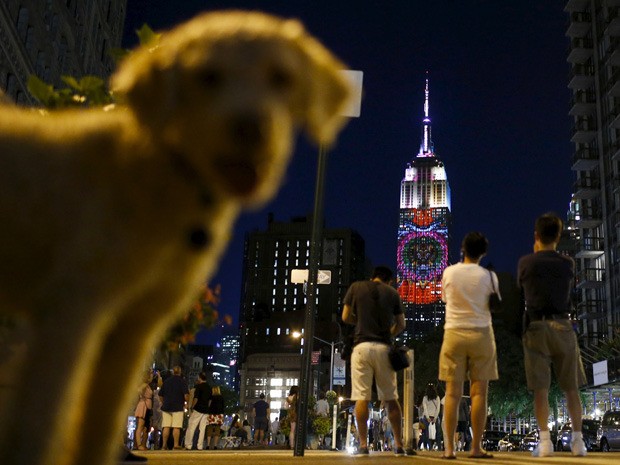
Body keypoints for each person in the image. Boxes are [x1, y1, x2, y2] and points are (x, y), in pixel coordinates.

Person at [518, 213, 587, 457]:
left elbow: (522, 291)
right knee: (571, 388)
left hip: (537, 326)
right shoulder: (568, 263)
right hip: (563, 325)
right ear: (558, 236)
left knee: (541, 388)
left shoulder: (526, 263)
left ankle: (545, 441)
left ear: (536, 235)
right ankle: (577, 441)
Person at [439, 231, 499, 459]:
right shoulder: (489, 276)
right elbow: (494, 304)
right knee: (479, 393)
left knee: (452, 393)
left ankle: (449, 449)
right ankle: (475, 447)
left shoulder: (449, 272)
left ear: (462, 249)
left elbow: (445, 298)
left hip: (453, 332)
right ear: (483, 252)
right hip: (481, 333)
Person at [341, 265, 411, 456]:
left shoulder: (356, 287)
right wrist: (388, 333)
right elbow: (401, 324)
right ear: (389, 280)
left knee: (362, 397)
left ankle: (363, 445)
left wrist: (361, 322)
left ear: (373, 277)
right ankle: (399, 445)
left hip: (361, 348)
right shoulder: (392, 293)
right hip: (383, 348)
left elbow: (345, 316)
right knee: (390, 398)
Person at [158, 366, 189, 450]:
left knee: (166, 426)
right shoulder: (182, 381)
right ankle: (175, 445)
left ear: (173, 372)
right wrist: (187, 403)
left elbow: (160, 395)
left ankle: (164, 445)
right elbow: (186, 395)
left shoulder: (167, 381)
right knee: (176, 427)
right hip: (177, 407)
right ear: (180, 372)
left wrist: (164, 402)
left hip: (166, 406)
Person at [184, 372, 211, 450]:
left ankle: (188, 444)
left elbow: (196, 398)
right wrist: (207, 407)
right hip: (206, 410)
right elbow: (210, 400)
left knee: (191, 426)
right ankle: (200, 446)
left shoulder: (199, 387)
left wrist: (192, 406)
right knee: (202, 429)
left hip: (198, 409)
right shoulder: (209, 387)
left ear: (199, 378)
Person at [133, 369, 154, 451]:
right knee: (140, 425)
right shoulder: (144, 384)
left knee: (146, 427)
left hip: (147, 406)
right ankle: (139, 444)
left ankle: (143, 444)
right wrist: (142, 396)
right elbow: (138, 390)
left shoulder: (148, 385)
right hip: (143, 406)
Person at [421, 383, 440, 451]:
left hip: (426, 417)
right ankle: (439, 447)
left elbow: (425, 408)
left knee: (426, 432)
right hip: (435, 417)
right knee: (437, 433)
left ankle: (428, 447)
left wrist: (427, 417)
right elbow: (438, 408)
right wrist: (435, 417)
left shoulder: (425, 398)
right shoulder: (437, 397)